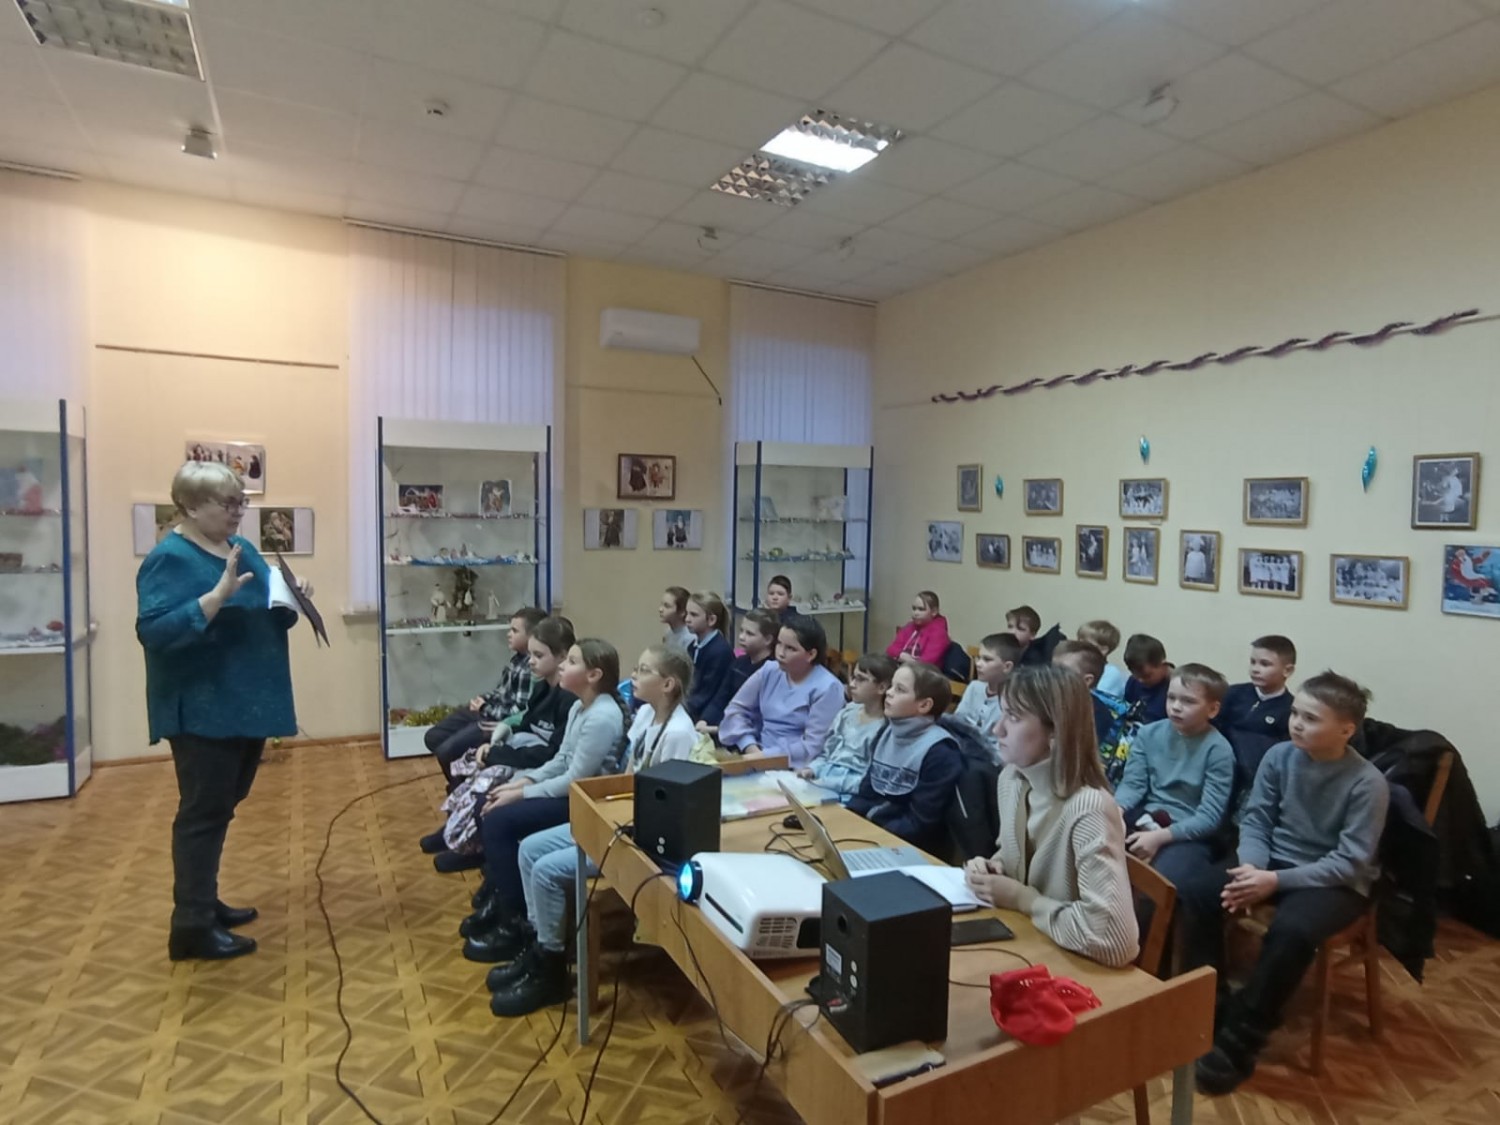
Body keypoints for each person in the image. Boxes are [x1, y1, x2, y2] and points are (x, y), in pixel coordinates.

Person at [136, 461, 310, 962]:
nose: (238, 512)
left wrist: (293, 599)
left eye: (241, 502)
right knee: (202, 813)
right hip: (204, 708)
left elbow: (265, 613)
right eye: (228, 503)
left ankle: (204, 902)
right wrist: (215, 597)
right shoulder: (168, 558)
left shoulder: (239, 547)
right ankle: (190, 926)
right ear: (190, 507)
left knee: (220, 807)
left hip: (245, 702)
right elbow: (155, 632)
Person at [1186, 673, 1390, 1095]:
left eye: (1311, 718)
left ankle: (1244, 1035)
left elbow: (1350, 861)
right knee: (1197, 891)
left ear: (1346, 729)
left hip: (1334, 879)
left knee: (1293, 930)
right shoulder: (1280, 756)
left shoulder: (1367, 782)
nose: (1296, 723)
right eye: (1295, 713)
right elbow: (1257, 819)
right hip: (1271, 861)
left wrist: (1273, 880)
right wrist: (1251, 869)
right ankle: (1212, 1002)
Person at [485, 645, 698, 1015]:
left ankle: (552, 969)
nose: (634, 675)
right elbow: (628, 778)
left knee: (546, 871)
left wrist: (612, 825)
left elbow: (667, 807)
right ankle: (540, 947)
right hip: (618, 820)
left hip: (642, 841)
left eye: (644, 670)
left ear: (668, 684)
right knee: (529, 849)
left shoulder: (680, 733)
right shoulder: (646, 714)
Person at [463, 639, 628, 962]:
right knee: (491, 805)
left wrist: (521, 793)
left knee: (499, 821)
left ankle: (515, 922)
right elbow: (560, 760)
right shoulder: (580, 706)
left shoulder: (602, 715)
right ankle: (502, 898)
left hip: (585, 803)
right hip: (569, 792)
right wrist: (522, 783)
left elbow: (575, 779)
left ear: (594, 675)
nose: (563, 666)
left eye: (572, 662)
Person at [963, 666, 1139, 969]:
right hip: (1031, 947)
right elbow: (1019, 855)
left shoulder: (1089, 807)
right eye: (1002, 713)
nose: (997, 730)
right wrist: (994, 867)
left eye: (1013, 717)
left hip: (1077, 968)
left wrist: (1023, 900)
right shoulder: (1012, 778)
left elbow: (1115, 942)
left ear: (1056, 730)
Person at [426, 615, 580, 869]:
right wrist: (497, 743)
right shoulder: (542, 688)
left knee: (484, 792)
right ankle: (456, 833)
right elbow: (524, 723)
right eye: (530, 654)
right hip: (523, 752)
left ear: (562, 656)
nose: (530, 661)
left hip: (539, 766)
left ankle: (475, 848)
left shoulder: (570, 701)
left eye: (538, 655)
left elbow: (551, 754)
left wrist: (498, 754)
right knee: (466, 771)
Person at [1112, 665, 1235, 907]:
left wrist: (1159, 838)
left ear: (1212, 709)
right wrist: (1115, 811)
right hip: (1146, 817)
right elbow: (1133, 785)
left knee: (1157, 885)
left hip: (1188, 834)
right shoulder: (1148, 734)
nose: (1176, 707)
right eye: (1171, 698)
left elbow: (1209, 817)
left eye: (1188, 701)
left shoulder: (1219, 751)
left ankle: (1143, 933)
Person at [422, 606, 547, 786]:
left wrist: (484, 707)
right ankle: (464, 775)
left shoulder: (531, 667)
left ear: (532, 636)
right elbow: (502, 692)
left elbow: (519, 710)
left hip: (495, 721)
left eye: (514, 631)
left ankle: (462, 788)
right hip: (488, 710)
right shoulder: (517, 659)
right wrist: (483, 700)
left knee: (446, 752)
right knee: (433, 737)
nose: (508, 634)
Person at [847, 663, 963, 854]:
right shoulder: (887, 732)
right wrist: (845, 822)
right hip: (873, 835)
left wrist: (870, 837)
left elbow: (920, 822)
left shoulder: (941, 752)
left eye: (900, 689)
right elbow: (866, 793)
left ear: (924, 705)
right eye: (892, 686)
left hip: (910, 849)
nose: (889, 693)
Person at [717, 615, 845, 768]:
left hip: (797, 766)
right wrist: (750, 746)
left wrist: (763, 757)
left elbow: (813, 746)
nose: (780, 653)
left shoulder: (828, 688)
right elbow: (736, 709)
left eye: (790, 648)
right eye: (779, 644)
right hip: (755, 752)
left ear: (811, 654)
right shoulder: (769, 670)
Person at [798, 653, 895, 801]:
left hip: (851, 795)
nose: (852, 684)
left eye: (861, 679)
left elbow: (869, 780)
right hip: (822, 783)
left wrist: (827, 782)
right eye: (853, 677)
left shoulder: (886, 728)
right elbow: (827, 753)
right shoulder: (848, 712)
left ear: (882, 687)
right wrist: (812, 769)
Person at [1214, 635, 1297, 808]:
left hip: (1254, 781)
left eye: (1265, 664)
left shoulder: (1290, 709)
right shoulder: (1233, 693)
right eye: (1253, 662)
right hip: (1219, 768)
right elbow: (1214, 728)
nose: (1255, 669)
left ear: (1287, 671)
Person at [1051, 640, 1132, 784]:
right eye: (1052, 669)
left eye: (1061, 671)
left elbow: (1079, 763)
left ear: (1087, 680)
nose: (1051, 676)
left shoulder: (1096, 717)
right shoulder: (1047, 701)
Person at [953, 632, 1022, 760]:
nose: (978, 664)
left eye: (987, 659)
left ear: (1007, 667)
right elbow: (958, 722)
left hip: (988, 759)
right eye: (979, 658)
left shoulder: (1012, 701)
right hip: (961, 747)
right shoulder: (974, 687)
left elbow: (1000, 749)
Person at [683, 591, 734, 728]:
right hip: (693, 709)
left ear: (711, 620)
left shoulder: (720, 651)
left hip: (707, 717)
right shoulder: (692, 647)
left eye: (693, 615)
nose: (687, 619)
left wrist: (680, 708)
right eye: (687, 613)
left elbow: (707, 693)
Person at [885, 590, 950, 665]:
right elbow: (890, 650)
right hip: (902, 665)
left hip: (923, 670)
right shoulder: (909, 627)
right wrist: (901, 655)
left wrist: (903, 658)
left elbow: (926, 662)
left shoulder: (939, 633)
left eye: (921, 609)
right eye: (914, 608)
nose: (915, 613)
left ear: (934, 612)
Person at [1123, 633, 1174, 723]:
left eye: (1147, 676)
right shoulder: (1133, 681)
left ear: (1163, 665)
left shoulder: (1176, 687)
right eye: (1135, 675)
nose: (1140, 680)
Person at [1076, 619, 1127, 697]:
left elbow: (1097, 699)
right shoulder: (1077, 666)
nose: (1078, 646)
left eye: (1085, 643)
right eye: (1078, 641)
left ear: (1103, 650)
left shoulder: (1110, 673)